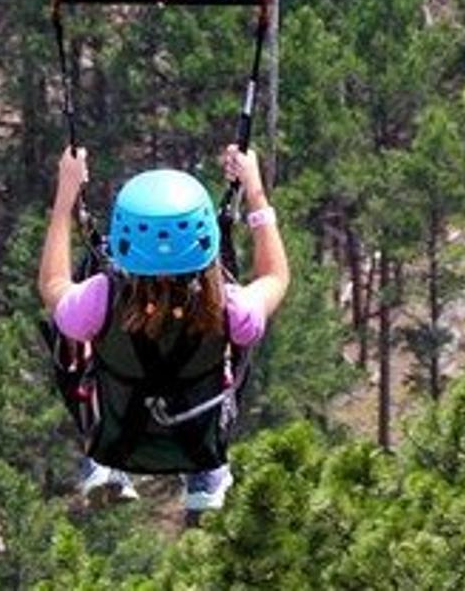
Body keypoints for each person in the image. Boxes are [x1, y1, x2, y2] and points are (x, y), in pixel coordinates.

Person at [38, 143, 290, 515]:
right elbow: (275, 277)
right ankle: (205, 474)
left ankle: (106, 464)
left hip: (119, 431)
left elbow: (52, 285)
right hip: (197, 434)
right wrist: (254, 190)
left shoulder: (99, 299)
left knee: (72, 336)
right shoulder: (231, 308)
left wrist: (66, 197)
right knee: (236, 346)